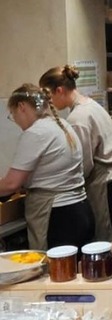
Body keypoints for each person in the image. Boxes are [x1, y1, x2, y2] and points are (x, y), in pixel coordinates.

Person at [40, 65, 112, 241]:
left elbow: (83, 164)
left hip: (105, 185)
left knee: (108, 242)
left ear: (59, 90)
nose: (48, 102)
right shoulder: (91, 104)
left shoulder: (78, 118)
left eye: (48, 96)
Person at [0, 84, 94, 250]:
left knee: (56, 273)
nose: (15, 121)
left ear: (21, 107)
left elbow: (11, 184)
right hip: (80, 210)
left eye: (12, 115)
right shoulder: (62, 124)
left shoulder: (35, 133)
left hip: (57, 217)